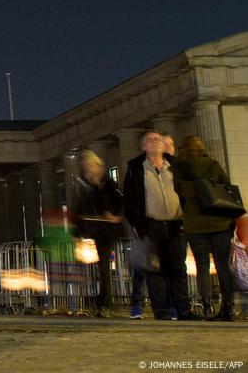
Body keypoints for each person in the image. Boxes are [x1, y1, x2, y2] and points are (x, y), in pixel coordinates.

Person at [122, 130, 195, 320]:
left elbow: (189, 193)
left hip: (175, 225)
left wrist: (186, 219)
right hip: (151, 226)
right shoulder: (136, 168)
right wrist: (138, 226)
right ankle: (161, 310)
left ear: (163, 145)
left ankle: (183, 310)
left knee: (178, 269)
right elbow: (129, 200)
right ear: (143, 146)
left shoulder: (176, 166)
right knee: (156, 270)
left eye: (157, 139)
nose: (155, 142)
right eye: (150, 140)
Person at [173, 136, 237, 321]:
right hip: (218, 221)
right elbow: (227, 188)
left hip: (194, 223)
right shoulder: (212, 165)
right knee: (222, 265)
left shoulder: (178, 170)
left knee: (202, 265)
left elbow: (180, 195)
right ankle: (229, 307)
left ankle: (207, 307)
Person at [75, 150, 124, 318]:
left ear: (97, 165)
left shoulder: (107, 183)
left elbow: (119, 202)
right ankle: (102, 299)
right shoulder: (85, 184)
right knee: (99, 268)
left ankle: (106, 301)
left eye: (90, 164)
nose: (88, 168)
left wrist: (116, 216)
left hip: (105, 230)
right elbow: (81, 208)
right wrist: (78, 231)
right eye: (86, 165)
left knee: (104, 267)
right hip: (92, 228)